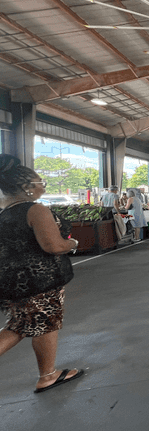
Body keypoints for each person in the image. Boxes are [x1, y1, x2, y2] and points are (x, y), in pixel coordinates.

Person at [0, 154, 85, 393]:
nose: (42, 187)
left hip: (12, 283)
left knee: (18, 325)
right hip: (38, 282)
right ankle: (48, 375)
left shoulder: (4, 213)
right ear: (27, 188)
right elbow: (53, 245)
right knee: (46, 324)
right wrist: (73, 243)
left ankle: (47, 373)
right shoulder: (34, 210)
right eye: (40, 183)